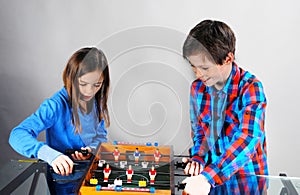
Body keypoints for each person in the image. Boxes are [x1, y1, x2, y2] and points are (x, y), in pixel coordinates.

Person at [181, 20, 268, 194]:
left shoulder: (251, 88)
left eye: (204, 67)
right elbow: (200, 132)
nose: (198, 74)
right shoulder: (197, 88)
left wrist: (208, 177)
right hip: (210, 184)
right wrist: (197, 157)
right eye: (193, 67)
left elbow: (248, 139)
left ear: (228, 58)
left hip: (246, 186)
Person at [9, 47, 110, 195]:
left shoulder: (97, 101)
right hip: (64, 182)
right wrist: (51, 155)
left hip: (91, 175)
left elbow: (101, 136)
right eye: (83, 84)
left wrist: (91, 149)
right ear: (71, 78)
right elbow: (17, 134)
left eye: (97, 84)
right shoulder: (55, 105)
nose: (90, 91)